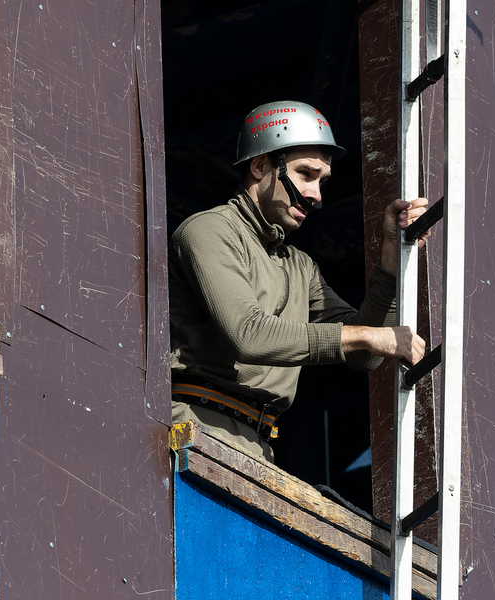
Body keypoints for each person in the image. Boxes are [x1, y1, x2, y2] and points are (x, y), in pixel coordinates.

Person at [168, 100, 428, 461]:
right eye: (306, 174)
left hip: (258, 446)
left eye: (323, 181)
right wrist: (368, 335)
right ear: (260, 166)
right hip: (195, 432)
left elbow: (365, 359)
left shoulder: (299, 266)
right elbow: (248, 334)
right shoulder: (209, 229)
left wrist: (390, 259)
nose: (316, 195)